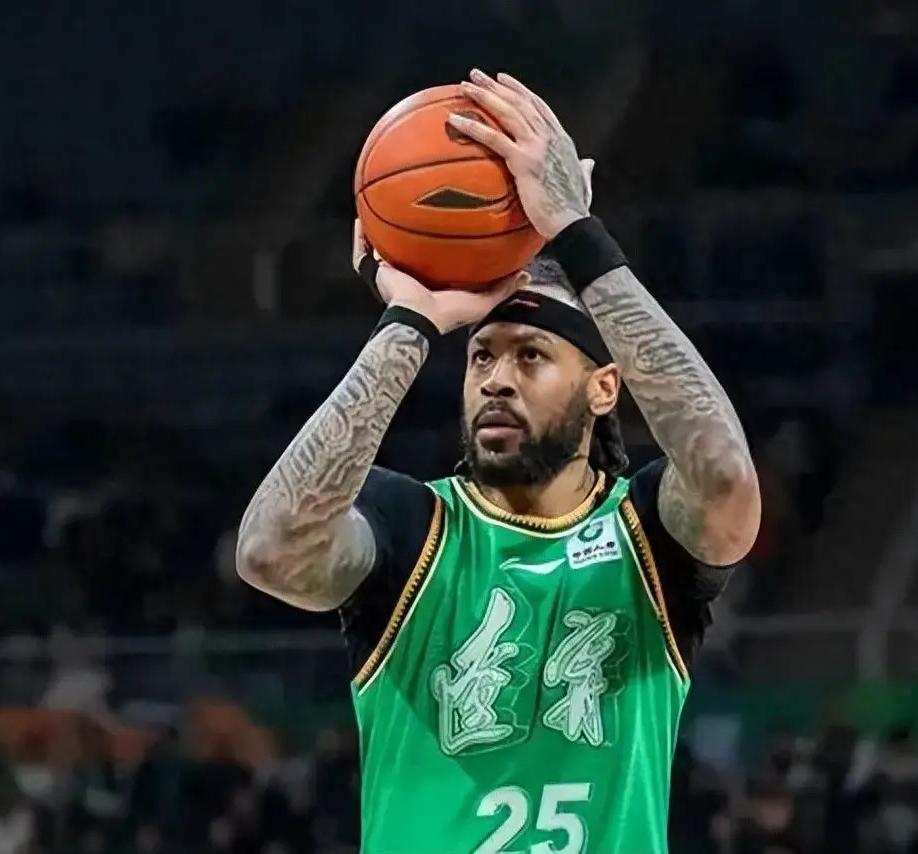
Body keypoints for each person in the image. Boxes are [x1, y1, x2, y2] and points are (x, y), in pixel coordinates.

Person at [236, 69, 760, 854]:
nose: (497, 380)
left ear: (605, 386)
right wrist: (410, 322)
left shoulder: (650, 533)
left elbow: (725, 475)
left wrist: (578, 236)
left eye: (531, 355)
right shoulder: (412, 526)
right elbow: (268, 553)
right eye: (481, 355)